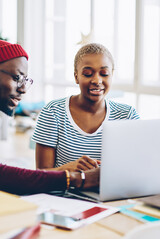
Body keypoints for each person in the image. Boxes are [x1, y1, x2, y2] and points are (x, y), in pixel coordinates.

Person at [0, 40, 99, 195]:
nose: (23, 89)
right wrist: (79, 178)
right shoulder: (54, 111)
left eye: (25, 80)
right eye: (17, 78)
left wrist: (65, 172)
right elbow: (5, 177)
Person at [32, 43, 140, 172]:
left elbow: (138, 167)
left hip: (113, 192)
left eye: (104, 73)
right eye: (88, 74)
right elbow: (41, 176)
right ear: (76, 77)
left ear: (112, 75)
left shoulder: (127, 115)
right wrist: (68, 169)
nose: (97, 80)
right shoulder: (53, 112)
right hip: (64, 192)